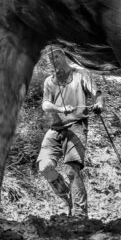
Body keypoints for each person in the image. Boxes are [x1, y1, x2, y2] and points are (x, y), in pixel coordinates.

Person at [36, 49, 104, 218]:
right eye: (50, 57)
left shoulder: (81, 74)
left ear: (64, 56)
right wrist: (60, 108)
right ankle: (67, 197)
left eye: (56, 56)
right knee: (44, 166)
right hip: (55, 128)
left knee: (71, 170)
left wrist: (99, 104)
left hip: (77, 126)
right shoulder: (49, 81)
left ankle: (80, 215)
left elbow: (97, 94)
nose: (53, 60)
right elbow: (45, 105)